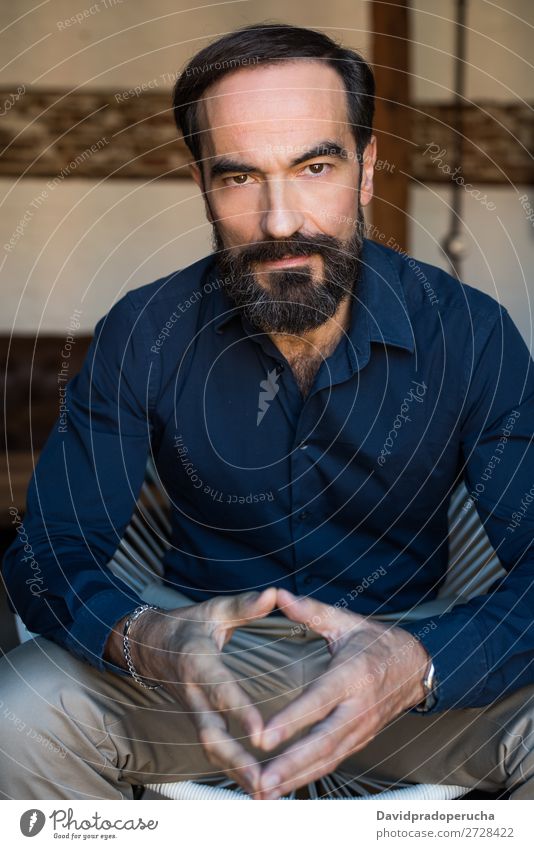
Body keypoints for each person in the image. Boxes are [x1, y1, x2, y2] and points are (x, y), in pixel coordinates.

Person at [1, 22, 534, 801]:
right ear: (202, 184)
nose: (281, 220)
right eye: (241, 177)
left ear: (366, 169)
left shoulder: (469, 332)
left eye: (314, 165)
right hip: (198, 674)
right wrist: (153, 639)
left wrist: (418, 661)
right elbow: (46, 554)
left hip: (412, 664)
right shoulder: (146, 330)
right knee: (20, 711)